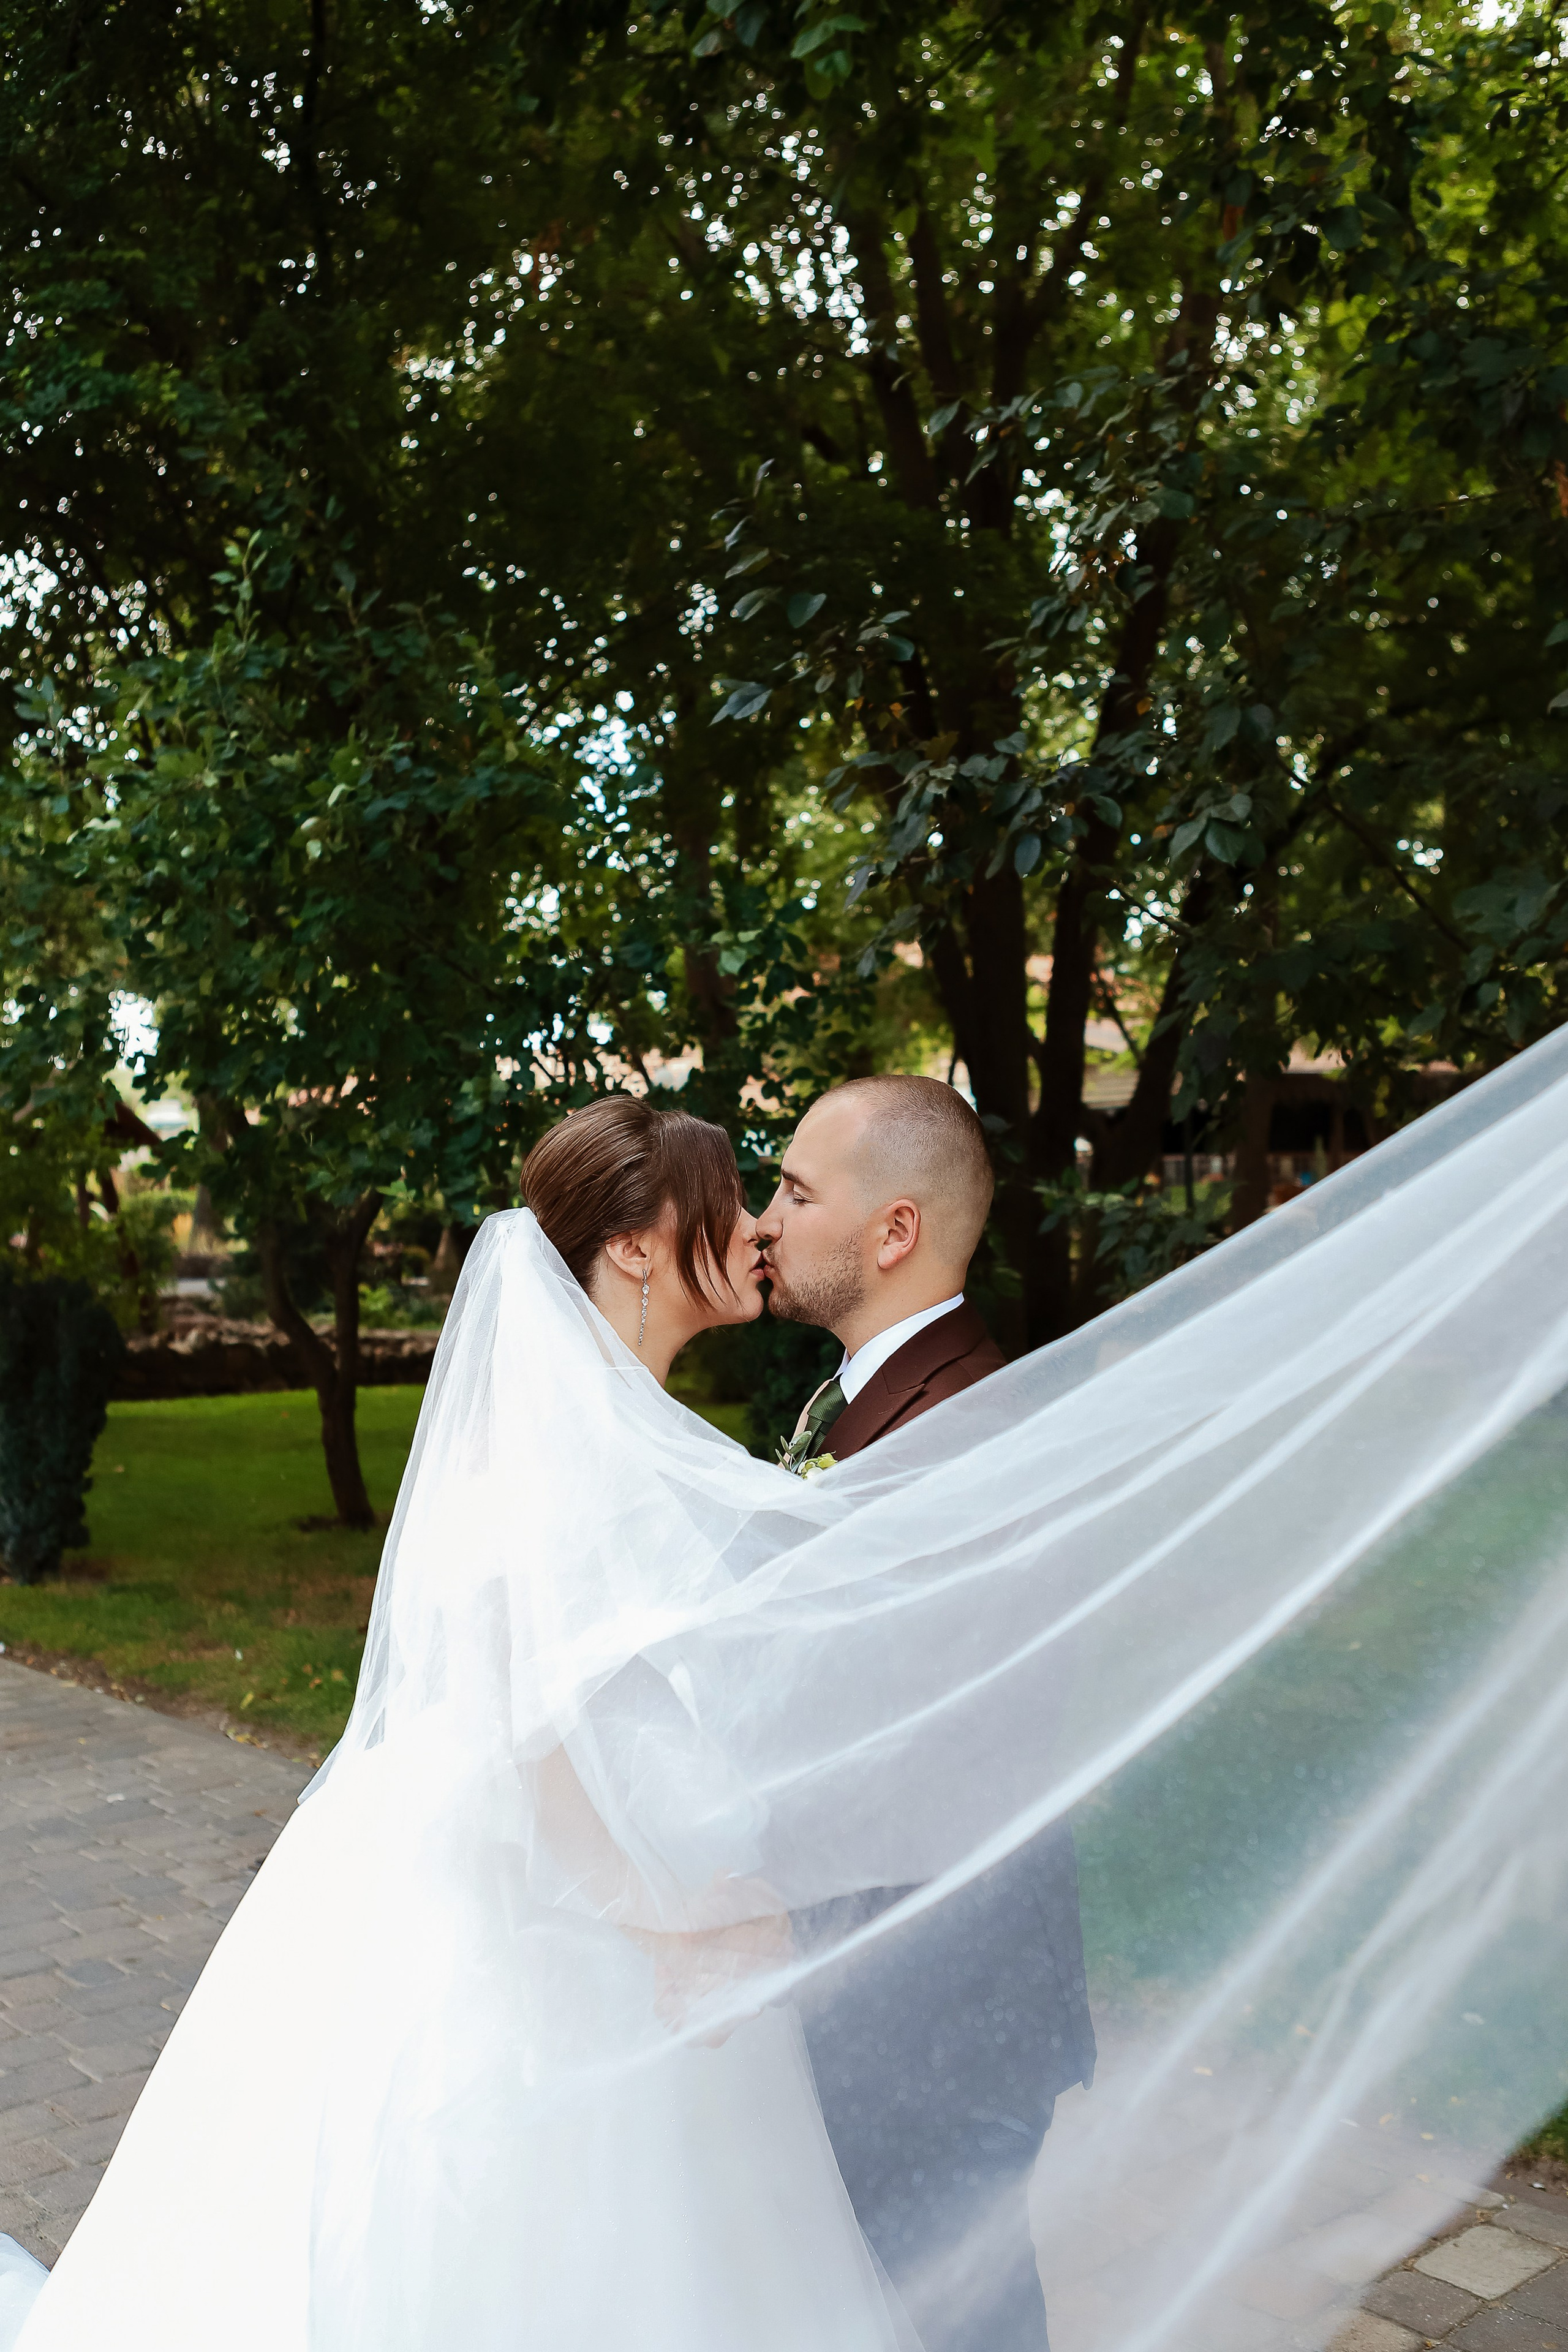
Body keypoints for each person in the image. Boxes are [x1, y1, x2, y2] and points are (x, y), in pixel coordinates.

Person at [755, 1074, 1096, 2352]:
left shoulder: (958, 1437)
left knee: (959, 2319)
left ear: (891, 1232)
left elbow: (908, 1749)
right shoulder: (884, 1402)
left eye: (793, 1192)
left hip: (936, 2008)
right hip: (895, 1985)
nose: (761, 1222)